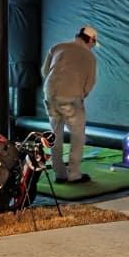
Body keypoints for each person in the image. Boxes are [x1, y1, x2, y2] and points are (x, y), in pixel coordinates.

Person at [41, 25, 98, 184]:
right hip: (71, 97)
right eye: (94, 43)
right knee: (78, 136)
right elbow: (90, 84)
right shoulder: (90, 57)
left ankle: (59, 174)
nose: (93, 46)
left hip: (50, 94)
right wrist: (80, 95)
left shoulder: (57, 47)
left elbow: (45, 71)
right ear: (90, 40)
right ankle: (74, 174)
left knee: (55, 134)